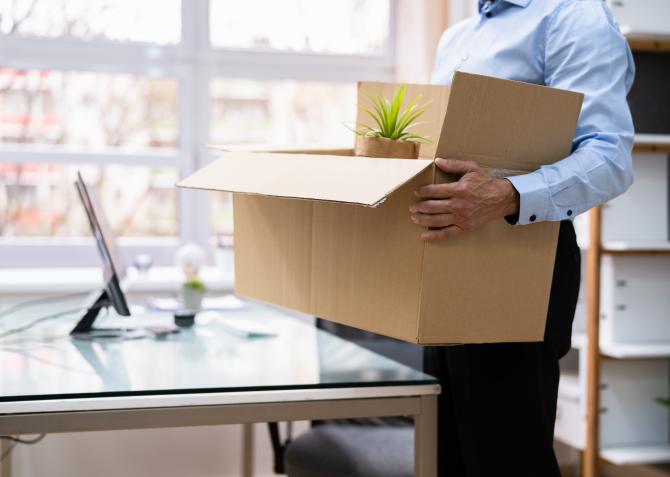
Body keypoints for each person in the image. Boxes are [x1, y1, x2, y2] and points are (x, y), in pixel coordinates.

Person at [412, 0, 635, 475]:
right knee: (445, 457)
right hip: (445, 261)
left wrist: (504, 195)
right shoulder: (458, 35)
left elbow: (610, 157)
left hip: (521, 263)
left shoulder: (574, 16)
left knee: (507, 457)